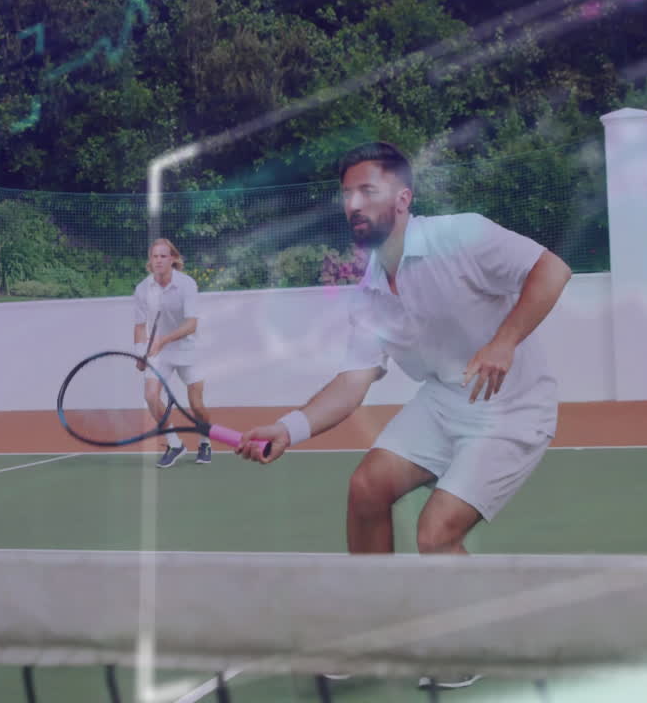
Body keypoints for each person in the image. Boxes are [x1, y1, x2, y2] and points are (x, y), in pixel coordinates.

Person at [233, 141, 572, 689]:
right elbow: (351, 384)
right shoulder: (369, 293)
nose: (353, 204)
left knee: (436, 533)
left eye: (367, 190)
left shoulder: (461, 235)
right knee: (366, 488)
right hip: (443, 400)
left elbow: (552, 271)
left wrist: (505, 341)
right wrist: (288, 428)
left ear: (403, 197)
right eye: (347, 194)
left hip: (511, 407)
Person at [134, 238, 213, 468]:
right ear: (150, 261)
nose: (158, 260)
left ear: (173, 259)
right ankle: (174, 443)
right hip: (160, 352)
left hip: (187, 348)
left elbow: (191, 325)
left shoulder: (187, 284)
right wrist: (141, 352)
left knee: (196, 404)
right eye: (154, 256)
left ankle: (205, 442)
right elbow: (139, 326)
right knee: (150, 396)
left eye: (163, 256)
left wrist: (164, 339)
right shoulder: (142, 289)